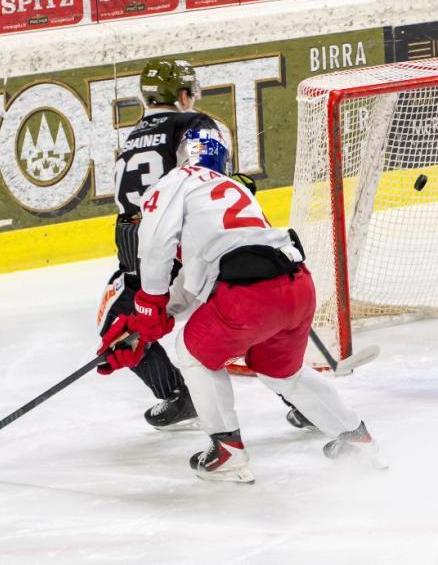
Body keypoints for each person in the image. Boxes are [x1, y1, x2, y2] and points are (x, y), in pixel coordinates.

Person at [98, 137, 381, 483]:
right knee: (282, 373)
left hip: (248, 296)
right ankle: (357, 439)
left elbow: (155, 242)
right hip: (297, 288)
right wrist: (147, 324)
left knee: (193, 352)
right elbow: (196, 277)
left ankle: (227, 450)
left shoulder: (176, 182)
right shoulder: (232, 190)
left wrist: (149, 303)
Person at [96, 59, 219, 431]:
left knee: (115, 330)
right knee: (239, 315)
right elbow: (211, 179)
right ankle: (296, 393)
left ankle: (175, 394)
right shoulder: (194, 123)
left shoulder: (132, 138)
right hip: (178, 250)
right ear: (183, 94)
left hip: (136, 256)